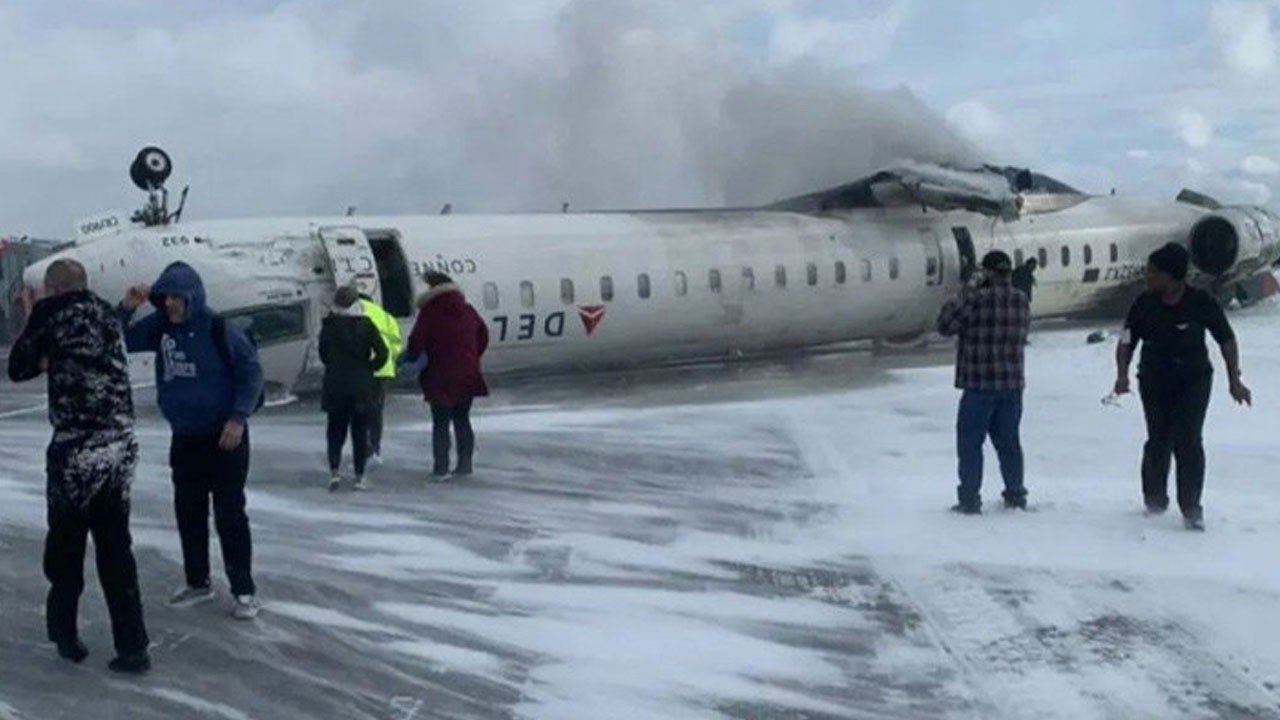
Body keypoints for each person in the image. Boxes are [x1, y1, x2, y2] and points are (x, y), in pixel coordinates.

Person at [8, 259, 151, 674]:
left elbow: (18, 368)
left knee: (66, 550)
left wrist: (33, 313)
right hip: (119, 447)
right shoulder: (106, 314)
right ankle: (133, 646)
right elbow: (111, 325)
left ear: (52, 290)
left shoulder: (52, 316)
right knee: (116, 551)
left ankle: (65, 635)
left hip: (76, 451)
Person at [119, 261, 265, 619]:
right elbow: (118, 339)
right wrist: (127, 308)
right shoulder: (159, 327)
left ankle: (243, 589)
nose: (169, 303)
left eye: (176, 297)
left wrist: (237, 418)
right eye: (164, 296)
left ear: (192, 297)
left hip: (224, 438)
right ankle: (198, 580)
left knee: (230, 513)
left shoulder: (220, 329)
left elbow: (251, 374)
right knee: (189, 511)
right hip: (185, 436)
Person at [1114, 243, 1251, 531]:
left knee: (1188, 441)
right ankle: (1154, 501)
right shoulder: (1144, 304)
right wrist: (1122, 374)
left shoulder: (1200, 302)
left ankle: (1191, 507)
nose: (1148, 278)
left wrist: (1234, 380)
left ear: (1173, 277)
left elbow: (1226, 339)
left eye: (1154, 273)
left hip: (1193, 379)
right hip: (1154, 378)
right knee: (1158, 439)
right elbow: (1126, 340)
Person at [936, 250, 1032, 514]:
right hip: (1012, 384)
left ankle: (969, 498)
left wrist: (956, 298)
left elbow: (945, 326)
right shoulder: (1021, 300)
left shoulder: (975, 300)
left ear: (987, 273)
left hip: (979, 385)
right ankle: (1015, 494)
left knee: (970, 444)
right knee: (1009, 443)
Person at [406, 271, 490, 478]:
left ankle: (441, 468)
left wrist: (411, 358)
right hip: (467, 374)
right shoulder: (468, 310)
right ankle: (465, 464)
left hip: (440, 375)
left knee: (441, 422)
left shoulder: (430, 313)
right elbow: (483, 336)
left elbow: (416, 342)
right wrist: (471, 356)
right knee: (462, 419)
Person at [320, 286, 389, 491]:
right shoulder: (366, 325)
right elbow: (383, 353)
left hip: (335, 385)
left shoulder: (329, 326)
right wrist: (369, 369)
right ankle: (359, 476)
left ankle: (334, 473)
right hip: (361, 386)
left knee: (335, 431)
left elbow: (323, 353)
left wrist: (334, 367)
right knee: (359, 432)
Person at [357, 292, 403, 464]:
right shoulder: (386, 316)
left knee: (359, 410)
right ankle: (375, 448)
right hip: (383, 370)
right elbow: (397, 344)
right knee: (376, 411)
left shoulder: (356, 314)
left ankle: (364, 448)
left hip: (361, 369)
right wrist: (390, 360)